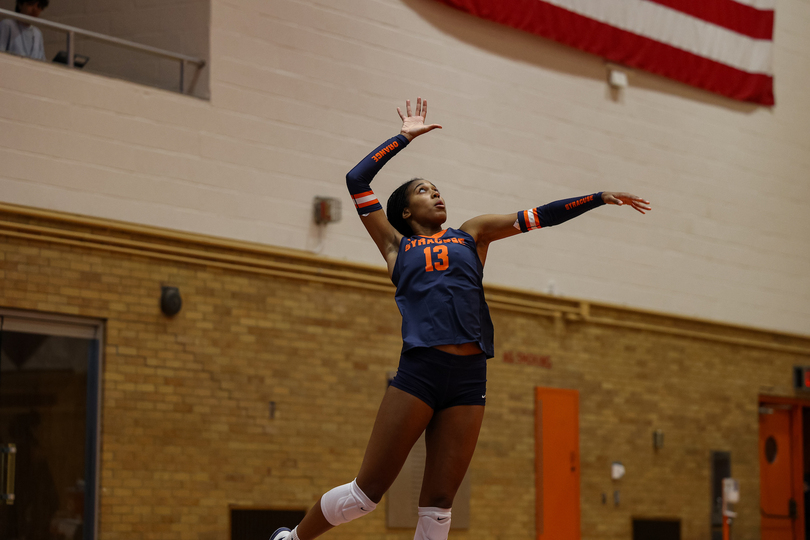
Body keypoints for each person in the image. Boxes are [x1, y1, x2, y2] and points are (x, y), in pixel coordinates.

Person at [271, 98, 650, 540]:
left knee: (438, 504)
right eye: (423, 189)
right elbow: (357, 179)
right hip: (421, 371)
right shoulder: (395, 246)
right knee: (366, 495)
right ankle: (292, 539)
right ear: (406, 211)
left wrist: (598, 198)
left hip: (470, 376)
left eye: (436, 187)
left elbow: (541, 216)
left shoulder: (473, 234)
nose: (436, 192)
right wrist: (403, 138)